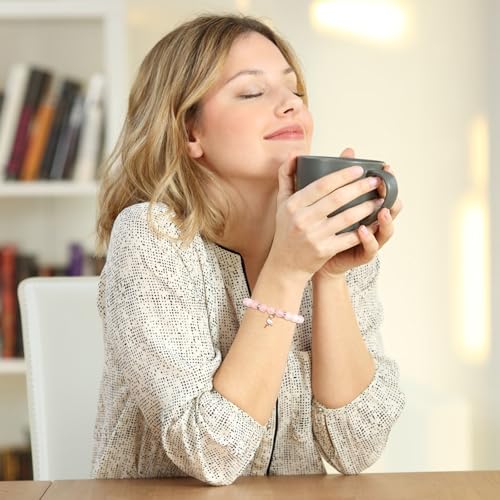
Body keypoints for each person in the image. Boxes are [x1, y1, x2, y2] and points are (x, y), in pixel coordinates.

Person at [92, 14, 405, 486]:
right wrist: (287, 271)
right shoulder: (151, 237)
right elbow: (210, 454)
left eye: (295, 90)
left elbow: (356, 447)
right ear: (190, 133)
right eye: (253, 92)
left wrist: (329, 274)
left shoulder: (327, 236)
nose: (291, 105)